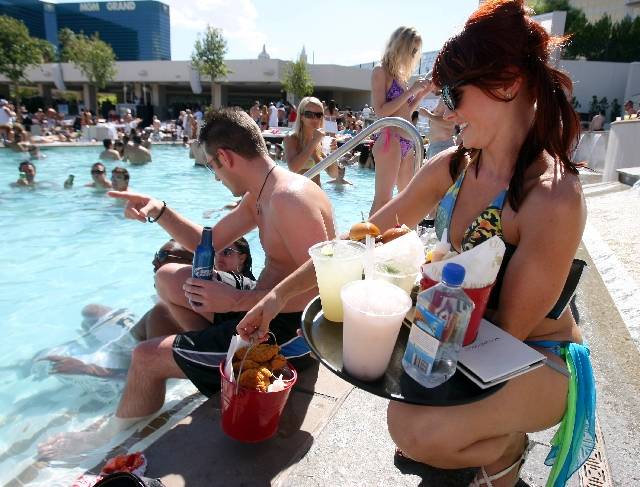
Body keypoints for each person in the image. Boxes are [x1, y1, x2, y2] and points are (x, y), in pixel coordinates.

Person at [237, 2, 595, 486]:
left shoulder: (551, 196)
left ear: (507, 83)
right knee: (409, 420)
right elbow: (356, 243)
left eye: (453, 93)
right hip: (461, 339)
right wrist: (276, 297)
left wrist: (410, 281)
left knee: (416, 429)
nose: (444, 110)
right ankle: (481, 452)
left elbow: (507, 328)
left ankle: (506, 451)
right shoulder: (453, 166)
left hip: (537, 359)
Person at [38, 108, 336, 459]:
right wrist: (159, 209)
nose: (215, 176)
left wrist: (234, 302)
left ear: (224, 157)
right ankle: (206, 361)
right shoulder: (262, 192)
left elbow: (323, 284)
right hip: (261, 306)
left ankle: (108, 439)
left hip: (284, 333)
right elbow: (205, 243)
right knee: (169, 279)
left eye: (212, 167)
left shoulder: (288, 198)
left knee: (146, 357)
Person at [369, 26, 431, 216]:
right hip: (390, 139)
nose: (413, 55)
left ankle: (397, 242)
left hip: (406, 140)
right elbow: (381, 112)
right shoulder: (381, 71)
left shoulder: (399, 77)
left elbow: (405, 112)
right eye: (411, 50)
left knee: (406, 200)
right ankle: (366, 242)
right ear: (400, 46)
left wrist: (421, 94)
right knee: (383, 200)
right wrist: (411, 91)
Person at [284, 96, 339, 187]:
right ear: (301, 116)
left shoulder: (319, 140)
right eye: (309, 114)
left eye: (318, 115)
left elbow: (333, 174)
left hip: (317, 195)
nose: (315, 119)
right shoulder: (291, 138)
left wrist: (334, 153)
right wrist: (313, 142)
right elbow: (293, 168)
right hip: (299, 195)